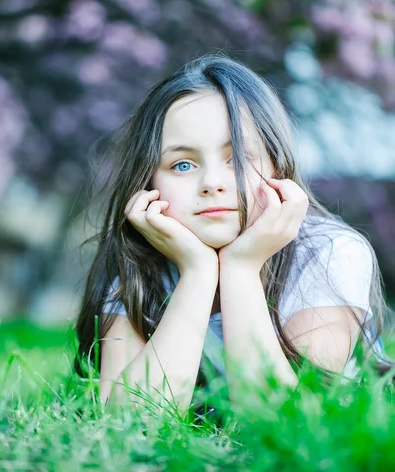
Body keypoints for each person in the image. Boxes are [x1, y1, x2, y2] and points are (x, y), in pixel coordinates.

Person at [74, 53, 394, 417]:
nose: (211, 183)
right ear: (148, 182)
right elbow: (130, 421)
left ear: (278, 164)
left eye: (238, 157)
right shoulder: (138, 263)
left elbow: (287, 421)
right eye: (182, 165)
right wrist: (197, 273)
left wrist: (240, 270)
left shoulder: (328, 253)